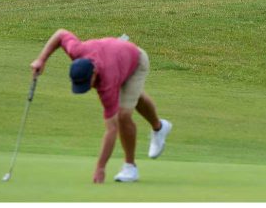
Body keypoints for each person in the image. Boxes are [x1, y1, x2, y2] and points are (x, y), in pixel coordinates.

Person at [30, 29, 172, 183]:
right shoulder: (77, 51)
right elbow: (60, 34)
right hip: (118, 55)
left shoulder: (107, 82)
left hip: (136, 60)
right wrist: (41, 60)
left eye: (87, 83)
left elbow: (112, 129)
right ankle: (159, 127)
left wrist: (100, 167)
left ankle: (130, 167)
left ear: (95, 73)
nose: (89, 88)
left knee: (123, 115)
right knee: (133, 98)